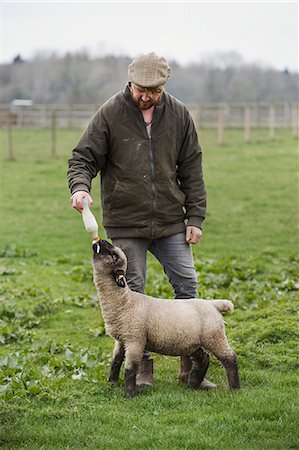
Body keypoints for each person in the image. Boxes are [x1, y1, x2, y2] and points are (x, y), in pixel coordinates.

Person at [67, 52, 216, 390]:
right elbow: (82, 158)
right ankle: (142, 366)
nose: (147, 96)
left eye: (155, 91)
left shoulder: (178, 115)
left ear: (164, 86)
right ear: (130, 81)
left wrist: (195, 217)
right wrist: (80, 189)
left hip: (170, 222)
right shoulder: (110, 113)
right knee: (133, 296)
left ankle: (190, 366)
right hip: (125, 222)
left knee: (187, 287)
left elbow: (192, 168)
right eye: (141, 90)